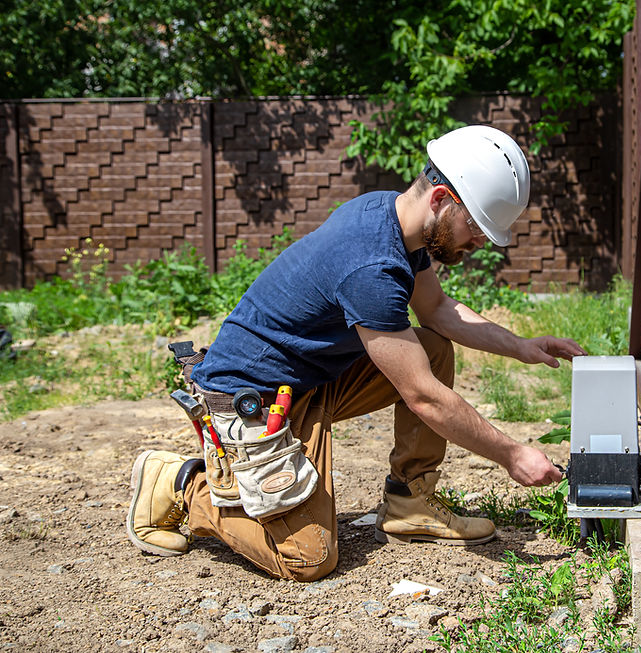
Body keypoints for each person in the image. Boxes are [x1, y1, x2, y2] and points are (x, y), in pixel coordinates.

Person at [126, 125, 585, 581]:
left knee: (431, 347)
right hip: (251, 399)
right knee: (307, 559)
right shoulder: (372, 266)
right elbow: (423, 397)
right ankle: (182, 483)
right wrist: (511, 454)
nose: (479, 242)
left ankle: (410, 500)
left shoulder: (397, 221)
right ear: (443, 200)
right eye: (477, 227)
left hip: (310, 379)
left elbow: (439, 311)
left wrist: (523, 347)